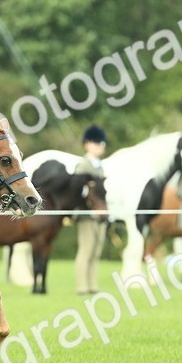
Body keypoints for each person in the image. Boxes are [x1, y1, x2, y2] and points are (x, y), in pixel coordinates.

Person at [74, 125, 108, 295]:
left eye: (101, 143)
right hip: (86, 214)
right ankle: (82, 286)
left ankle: (93, 285)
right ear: (87, 144)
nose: (99, 146)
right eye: (95, 143)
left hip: (100, 214)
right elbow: (79, 191)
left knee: (96, 250)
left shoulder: (100, 166)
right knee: (86, 249)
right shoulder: (83, 165)